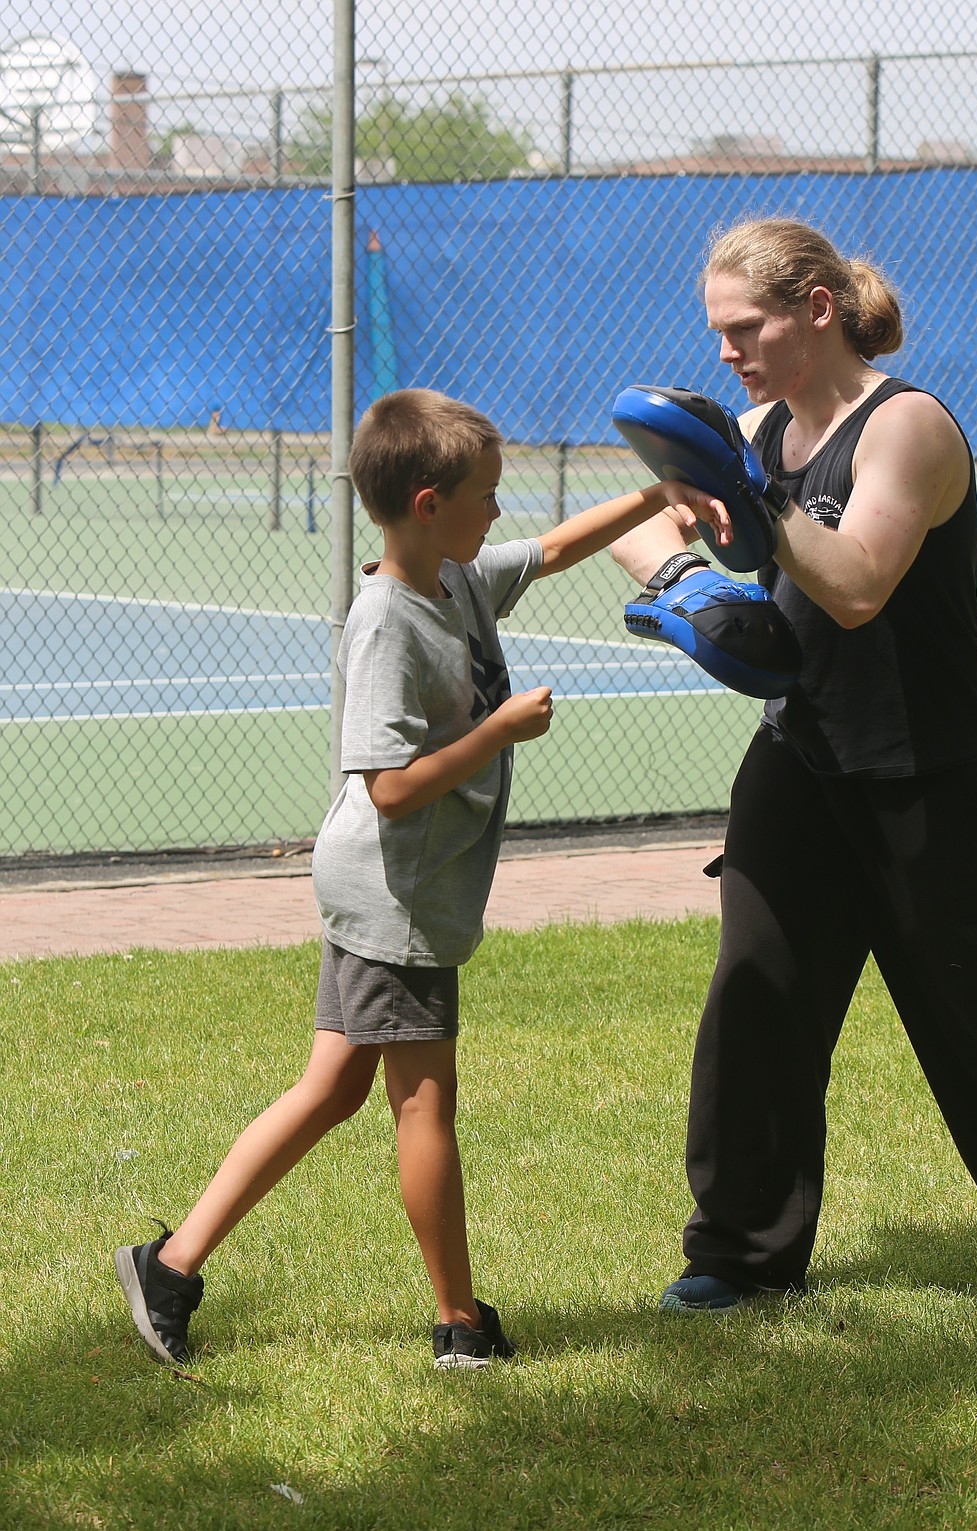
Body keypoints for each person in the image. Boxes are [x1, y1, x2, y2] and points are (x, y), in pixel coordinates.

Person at [115, 387, 729, 1369]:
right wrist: (494, 732)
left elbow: (559, 547)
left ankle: (171, 1265)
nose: (501, 509)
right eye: (487, 493)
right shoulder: (388, 621)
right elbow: (391, 786)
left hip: (401, 890)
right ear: (432, 502)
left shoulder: (457, 580)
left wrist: (663, 497)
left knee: (329, 1092)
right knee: (421, 1105)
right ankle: (457, 1323)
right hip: (391, 896)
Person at [610, 216, 977, 1314]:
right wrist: (674, 567)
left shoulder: (906, 428)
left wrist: (749, 503)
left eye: (744, 325)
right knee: (755, 1003)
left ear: (816, 309)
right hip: (799, 758)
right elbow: (662, 518)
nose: (727, 351)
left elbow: (857, 584)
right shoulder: (757, 430)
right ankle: (739, 1257)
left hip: (923, 773)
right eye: (716, 331)